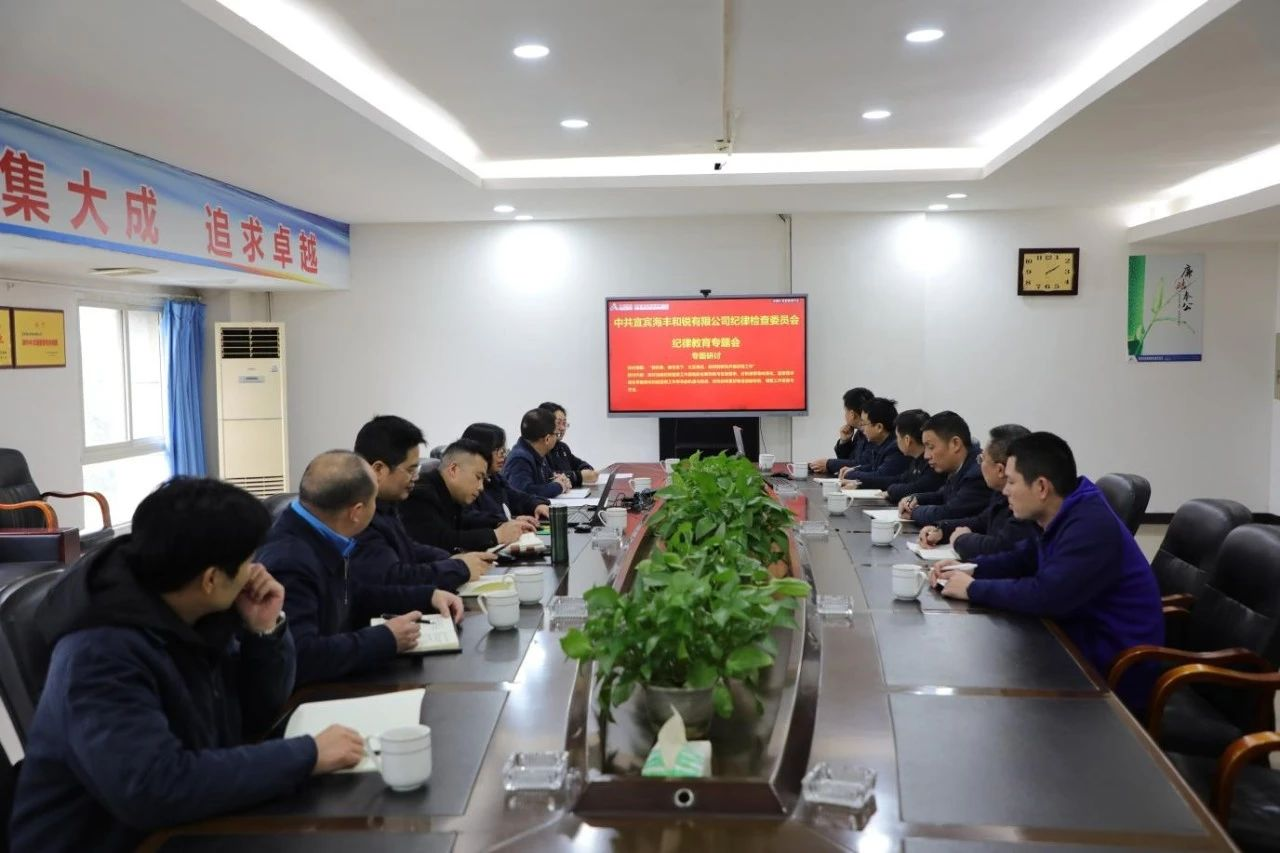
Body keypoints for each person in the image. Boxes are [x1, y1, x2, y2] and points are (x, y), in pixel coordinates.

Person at [10, 478, 367, 852]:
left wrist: (264, 631)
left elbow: (256, 716)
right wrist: (307, 755)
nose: (256, 572)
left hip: (189, 824)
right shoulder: (98, 654)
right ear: (211, 579)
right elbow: (154, 787)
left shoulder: (194, 608)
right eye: (248, 561)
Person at [931, 432, 1164, 710]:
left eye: (1012, 482)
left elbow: (1047, 595)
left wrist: (972, 589)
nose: (1005, 491)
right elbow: (1025, 557)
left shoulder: (1089, 526)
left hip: (1111, 670)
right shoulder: (1065, 511)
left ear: (1041, 487)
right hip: (1071, 641)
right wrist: (970, 569)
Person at [257, 450, 464, 686]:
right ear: (356, 512)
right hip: (312, 696)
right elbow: (302, 656)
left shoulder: (320, 532)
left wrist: (428, 596)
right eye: (374, 500)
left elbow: (354, 595)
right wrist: (386, 639)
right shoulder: (290, 561)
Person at [352, 415, 496, 592]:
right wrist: (459, 568)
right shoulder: (358, 516)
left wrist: (453, 559)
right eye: (410, 470)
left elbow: (409, 547)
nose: (416, 477)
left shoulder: (385, 504)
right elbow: (393, 578)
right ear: (378, 469)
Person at [917, 424, 1040, 559]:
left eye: (982, 459)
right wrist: (942, 530)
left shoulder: (1026, 503)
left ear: (1000, 469)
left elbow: (1002, 547)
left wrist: (962, 539)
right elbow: (982, 521)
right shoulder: (1000, 493)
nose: (979, 465)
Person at [401, 439, 537, 551]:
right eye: (478, 477)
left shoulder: (450, 492)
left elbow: (466, 521)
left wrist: (502, 523)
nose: (481, 487)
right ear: (453, 470)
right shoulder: (420, 494)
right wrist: (496, 535)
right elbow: (439, 540)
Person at [897, 411, 992, 524]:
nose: (926, 456)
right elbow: (942, 495)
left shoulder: (977, 474)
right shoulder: (959, 465)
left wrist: (913, 512)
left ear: (955, 444)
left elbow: (949, 513)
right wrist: (915, 498)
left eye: (931, 447)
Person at [461, 422, 550, 527]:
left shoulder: (495, 478)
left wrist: (536, 505)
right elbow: (470, 518)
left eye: (503, 449)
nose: (503, 455)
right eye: (497, 450)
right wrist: (507, 520)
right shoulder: (466, 483)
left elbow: (516, 497)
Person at [853, 408, 944, 503]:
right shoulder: (916, 460)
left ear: (907, 440)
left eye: (897, 437)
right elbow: (899, 479)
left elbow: (917, 488)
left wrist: (891, 490)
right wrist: (860, 483)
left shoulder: (932, 462)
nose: (896, 442)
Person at [504, 407, 573, 498]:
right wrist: (559, 486)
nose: (557, 438)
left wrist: (560, 480)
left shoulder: (538, 453)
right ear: (547, 439)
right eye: (556, 434)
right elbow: (524, 493)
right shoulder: (520, 459)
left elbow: (548, 479)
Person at [836, 397, 908, 484]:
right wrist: (854, 469)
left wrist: (850, 474)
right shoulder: (880, 443)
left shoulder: (895, 447)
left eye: (864, 423)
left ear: (879, 427)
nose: (861, 426)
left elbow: (880, 476)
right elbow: (873, 467)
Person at [809, 386, 874, 474]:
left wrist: (828, 464)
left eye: (845, 411)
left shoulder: (873, 434)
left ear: (852, 414)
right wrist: (845, 442)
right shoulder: (859, 433)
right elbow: (849, 461)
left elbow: (863, 464)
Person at [540, 401, 598, 486]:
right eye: (558, 423)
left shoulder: (562, 447)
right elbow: (548, 476)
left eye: (564, 423)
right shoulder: (539, 449)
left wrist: (588, 472)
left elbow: (582, 465)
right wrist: (579, 476)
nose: (562, 428)